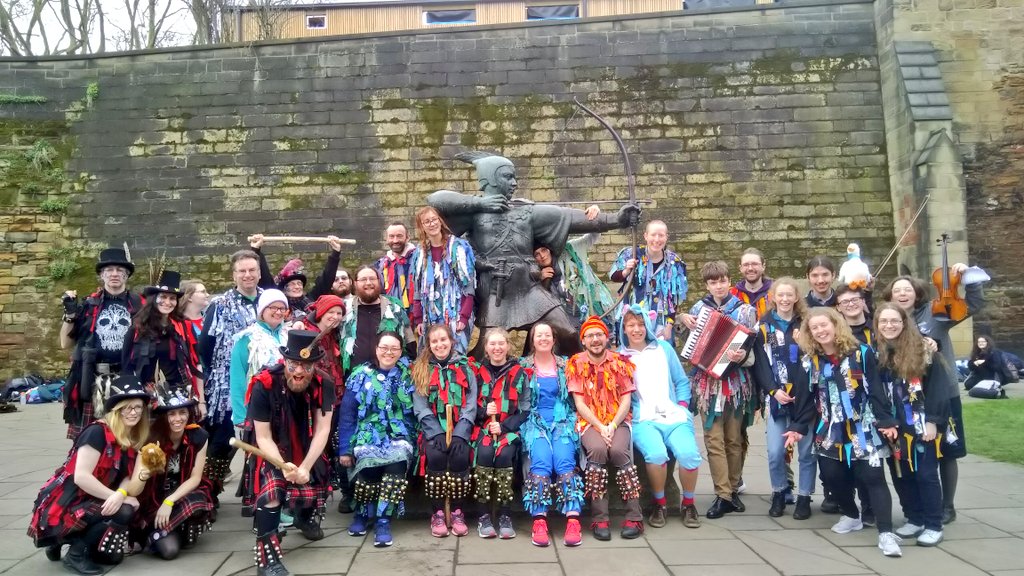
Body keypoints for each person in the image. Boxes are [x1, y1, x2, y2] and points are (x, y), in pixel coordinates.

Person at [427, 152, 640, 357]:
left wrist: (616, 220)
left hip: (529, 288)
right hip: (496, 291)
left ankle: (566, 376)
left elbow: (570, 218)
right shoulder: (474, 213)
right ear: (490, 179)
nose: (514, 183)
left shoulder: (526, 211)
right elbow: (435, 200)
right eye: (507, 177)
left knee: (567, 333)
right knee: (487, 348)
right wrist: (480, 203)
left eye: (514, 177)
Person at [787, 307, 902, 558]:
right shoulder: (809, 362)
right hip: (829, 429)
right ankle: (851, 515)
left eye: (824, 325)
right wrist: (797, 428)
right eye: (814, 328)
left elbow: (876, 391)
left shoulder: (862, 353)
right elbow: (805, 400)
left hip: (864, 426)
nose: (820, 331)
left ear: (836, 324)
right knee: (832, 476)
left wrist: (886, 420)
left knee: (873, 478)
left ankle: (885, 533)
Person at [881, 269, 984, 524]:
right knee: (914, 455)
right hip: (906, 402)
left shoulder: (935, 314)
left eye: (907, 289)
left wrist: (971, 280)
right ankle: (920, 508)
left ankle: (947, 505)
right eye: (897, 291)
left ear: (917, 293)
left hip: (941, 394)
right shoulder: (888, 320)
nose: (902, 294)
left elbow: (972, 305)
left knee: (947, 450)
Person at [29, 375, 154, 575]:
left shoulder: (131, 435)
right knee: (123, 511)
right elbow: (81, 477)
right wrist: (115, 497)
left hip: (93, 497)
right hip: (69, 500)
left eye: (138, 407)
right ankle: (75, 553)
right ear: (116, 409)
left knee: (112, 556)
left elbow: (127, 474)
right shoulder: (97, 432)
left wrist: (122, 492)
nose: (134, 412)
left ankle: (61, 540)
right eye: (127, 407)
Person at [247, 330, 337, 576]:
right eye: (294, 364)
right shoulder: (263, 384)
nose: (299, 372)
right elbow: (262, 436)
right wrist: (283, 465)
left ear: (314, 366)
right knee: (273, 491)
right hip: (272, 450)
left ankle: (304, 517)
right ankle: (267, 561)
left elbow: (322, 430)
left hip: (307, 447)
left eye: (306, 367)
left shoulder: (324, 383)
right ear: (284, 361)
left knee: (317, 481)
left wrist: (306, 466)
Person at [680, 261, 758, 519]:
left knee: (735, 440)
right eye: (713, 282)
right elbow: (691, 345)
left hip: (736, 383)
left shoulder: (745, 311)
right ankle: (722, 494)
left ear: (729, 280)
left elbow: (753, 349)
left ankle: (733, 488)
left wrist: (741, 355)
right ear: (706, 285)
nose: (718, 285)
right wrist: (683, 322)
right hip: (707, 385)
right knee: (714, 440)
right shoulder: (698, 309)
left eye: (722, 280)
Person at [619, 305, 702, 529]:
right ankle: (660, 503)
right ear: (624, 329)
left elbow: (682, 381)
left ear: (647, 325)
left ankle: (688, 503)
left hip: (673, 414)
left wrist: (683, 406)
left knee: (689, 455)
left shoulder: (664, 348)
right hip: (643, 418)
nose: (637, 329)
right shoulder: (620, 356)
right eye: (631, 325)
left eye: (640, 324)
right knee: (656, 455)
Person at [873, 303, 949, 547]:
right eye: (883, 321)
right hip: (894, 427)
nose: (889, 325)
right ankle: (914, 517)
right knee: (901, 475)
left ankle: (933, 524)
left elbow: (938, 388)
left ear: (904, 323)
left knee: (926, 474)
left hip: (920, 425)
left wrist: (933, 422)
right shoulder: (876, 353)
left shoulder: (923, 350)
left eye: (894, 320)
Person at [197, 249, 263, 514]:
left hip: (262, 384)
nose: (247, 275)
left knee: (259, 439)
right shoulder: (220, 304)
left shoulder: (268, 301)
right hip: (227, 385)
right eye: (242, 271)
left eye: (251, 270)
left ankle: (255, 494)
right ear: (234, 274)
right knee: (223, 441)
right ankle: (207, 492)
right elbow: (205, 345)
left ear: (259, 272)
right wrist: (221, 373)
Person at [337, 332, 416, 548]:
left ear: (400, 352)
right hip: (367, 433)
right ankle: (362, 513)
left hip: (399, 434)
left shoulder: (408, 375)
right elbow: (347, 414)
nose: (388, 352)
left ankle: (383, 520)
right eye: (384, 347)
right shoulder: (360, 375)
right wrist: (345, 448)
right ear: (376, 349)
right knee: (367, 466)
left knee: (396, 466)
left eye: (394, 348)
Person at [568, 316, 643, 541]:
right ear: (583, 341)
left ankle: (635, 516)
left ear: (606, 336)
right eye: (590, 336)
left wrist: (612, 425)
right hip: (590, 422)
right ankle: (600, 517)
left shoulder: (621, 361)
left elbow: (626, 400)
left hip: (617, 420)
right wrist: (601, 427)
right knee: (598, 450)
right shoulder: (576, 363)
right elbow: (580, 404)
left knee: (620, 451)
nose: (595, 340)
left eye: (599, 335)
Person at [60, 247, 143, 439]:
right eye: (109, 270)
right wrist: (70, 315)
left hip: (126, 377)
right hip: (92, 378)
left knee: (127, 437)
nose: (114, 274)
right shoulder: (88, 305)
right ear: (101, 275)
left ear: (127, 275)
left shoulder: (139, 305)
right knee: (89, 438)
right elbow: (65, 343)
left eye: (120, 270)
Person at [750, 277, 815, 520]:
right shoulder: (763, 326)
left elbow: (814, 359)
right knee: (776, 451)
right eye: (781, 295)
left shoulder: (807, 324)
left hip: (805, 397)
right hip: (777, 397)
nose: (785, 299)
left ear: (796, 297)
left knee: (807, 452)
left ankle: (805, 497)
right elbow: (761, 364)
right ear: (773, 297)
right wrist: (772, 390)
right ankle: (779, 491)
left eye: (790, 295)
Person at [520, 322, 585, 548]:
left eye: (547, 335)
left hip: (563, 422)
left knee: (565, 461)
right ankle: (539, 521)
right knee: (541, 462)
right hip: (534, 422)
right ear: (533, 340)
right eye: (539, 335)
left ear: (553, 339)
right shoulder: (523, 366)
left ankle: (573, 520)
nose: (543, 339)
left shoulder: (566, 365)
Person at [411, 323, 478, 538]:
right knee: (436, 456)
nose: (440, 344)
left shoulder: (465, 367)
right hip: (433, 431)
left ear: (452, 341)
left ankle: (458, 511)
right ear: (429, 345)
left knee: (460, 458)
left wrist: (461, 432)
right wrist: (435, 432)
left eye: (443, 340)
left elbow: (471, 402)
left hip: (460, 428)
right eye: (435, 341)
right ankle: (438, 512)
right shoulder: (422, 368)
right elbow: (419, 404)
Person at [139, 386, 214, 559]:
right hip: (153, 499)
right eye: (171, 414)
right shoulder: (150, 437)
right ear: (163, 416)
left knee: (197, 502)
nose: (178, 419)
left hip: (181, 494)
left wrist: (170, 501)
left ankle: (162, 531)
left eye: (182, 412)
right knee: (170, 551)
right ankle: (153, 531)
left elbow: (195, 478)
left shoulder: (199, 436)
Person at [471, 328, 530, 539]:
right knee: (485, 453)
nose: (497, 348)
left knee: (505, 455)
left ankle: (505, 514)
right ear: (486, 348)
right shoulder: (477, 373)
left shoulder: (520, 373)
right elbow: (468, 406)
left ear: (508, 346)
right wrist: (483, 412)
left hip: (509, 430)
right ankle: (483, 515)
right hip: (482, 428)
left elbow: (525, 409)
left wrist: (504, 427)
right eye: (492, 344)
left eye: (501, 343)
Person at [297, 294, 349, 513]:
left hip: (335, 396)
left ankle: (339, 491)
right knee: (315, 445)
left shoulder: (336, 334)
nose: (335, 317)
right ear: (321, 312)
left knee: (336, 443)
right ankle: (309, 496)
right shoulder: (305, 330)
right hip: (312, 399)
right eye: (331, 313)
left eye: (339, 313)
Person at [122, 270, 202, 407]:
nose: (167, 302)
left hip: (180, 393)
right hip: (147, 395)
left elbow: (195, 363)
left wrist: (201, 401)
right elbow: (126, 367)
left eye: (172, 298)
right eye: (163, 297)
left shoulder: (183, 327)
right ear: (154, 299)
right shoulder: (136, 329)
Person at [409, 207, 477, 355]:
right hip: (429, 316)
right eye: (426, 221)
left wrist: (464, 317)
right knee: (429, 355)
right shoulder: (419, 253)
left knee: (455, 354)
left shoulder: (458, 247)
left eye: (434, 219)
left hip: (456, 314)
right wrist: (419, 318)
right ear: (421, 226)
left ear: (440, 221)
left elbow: (469, 287)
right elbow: (418, 289)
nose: (431, 224)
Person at [834, 284, 876, 523]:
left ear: (863, 301)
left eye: (854, 299)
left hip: (871, 403)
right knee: (847, 459)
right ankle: (850, 507)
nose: (850, 305)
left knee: (869, 460)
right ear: (838, 307)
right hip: (841, 404)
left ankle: (871, 505)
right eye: (844, 302)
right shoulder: (837, 334)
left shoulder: (877, 328)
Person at [610, 220, 689, 343]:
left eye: (661, 235)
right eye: (653, 235)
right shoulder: (631, 254)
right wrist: (626, 270)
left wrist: (669, 326)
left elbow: (674, 300)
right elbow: (614, 277)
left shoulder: (675, 263)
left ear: (666, 237)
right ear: (646, 236)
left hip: (660, 322)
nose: (657, 239)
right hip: (632, 319)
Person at [339, 266, 414, 375]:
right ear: (355, 283)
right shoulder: (344, 309)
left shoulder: (395, 308)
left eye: (372, 279)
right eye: (363, 279)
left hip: (390, 377)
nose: (368, 283)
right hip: (354, 378)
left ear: (379, 281)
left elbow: (410, 341)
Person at [250, 234, 344, 319]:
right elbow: (265, 276)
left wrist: (335, 252)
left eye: (299, 283)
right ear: (284, 288)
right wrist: (256, 250)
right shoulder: (278, 302)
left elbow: (326, 280)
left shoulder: (312, 299)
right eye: (292, 284)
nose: (297, 286)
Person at [375, 222, 418, 317]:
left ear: (407, 237)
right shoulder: (381, 265)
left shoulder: (419, 259)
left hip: (418, 316)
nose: (395, 240)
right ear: (386, 239)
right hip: (391, 317)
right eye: (391, 236)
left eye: (399, 236)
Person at [177, 279, 210, 400]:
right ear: (189, 297)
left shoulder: (210, 319)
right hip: (194, 380)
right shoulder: (179, 324)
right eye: (202, 292)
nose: (207, 295)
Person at [731, 248, 773, 319]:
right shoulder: (732, 295)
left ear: (763, 267)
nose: (750, 268)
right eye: (746, 265)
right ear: (740, 268)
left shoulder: (776, 294)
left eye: (755, 264)